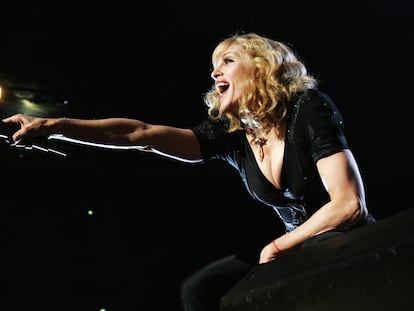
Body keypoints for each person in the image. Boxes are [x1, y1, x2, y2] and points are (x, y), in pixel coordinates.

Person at [2, 32, 375, 311]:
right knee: (201, 289)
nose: (215, 73)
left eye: (228, 61)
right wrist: (56, 126)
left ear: (264, 65)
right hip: (293, 248)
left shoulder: (307, 108)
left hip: (342, 240)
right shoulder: (233, 134)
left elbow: (348, 205)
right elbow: (139, 134)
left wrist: (278, 246)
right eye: (215, 65)